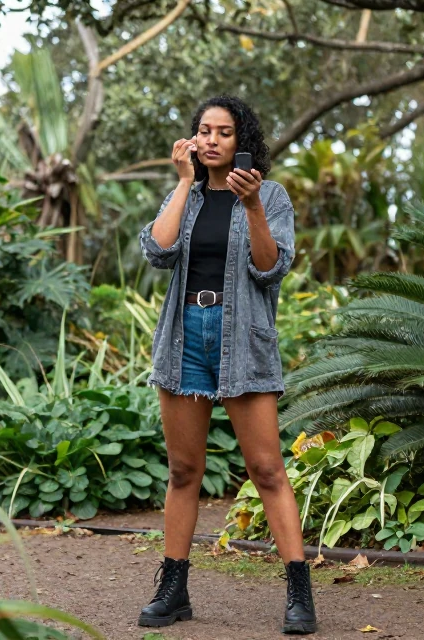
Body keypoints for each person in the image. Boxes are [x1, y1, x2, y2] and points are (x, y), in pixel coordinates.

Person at [136, 95, 316, 634]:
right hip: (186, 337)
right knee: (184, 470)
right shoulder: (186, 195)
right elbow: (157, 250)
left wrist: (255, 206)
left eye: (225, 132)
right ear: (192, 141)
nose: (212, 140)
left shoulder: (271, 196)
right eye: (204, 131)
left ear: (243, 142)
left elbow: (270, 269)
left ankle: (299, 592)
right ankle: (173, 589)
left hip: (244, 339)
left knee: (267, 469)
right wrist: (184, 181)